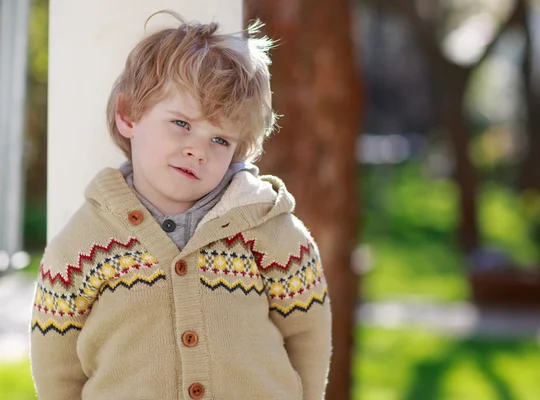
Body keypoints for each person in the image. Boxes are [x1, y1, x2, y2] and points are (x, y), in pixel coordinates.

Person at [30, 11, 331, 400]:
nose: (198, 150)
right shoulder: (82, 245)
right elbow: (56, 366)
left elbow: (309, 338)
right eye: (182, 124)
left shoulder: (267, 228)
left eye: (220, 140)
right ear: (128, 115)